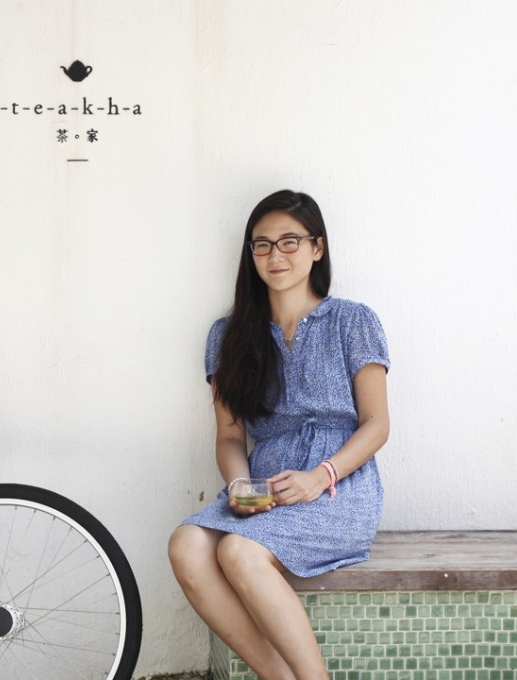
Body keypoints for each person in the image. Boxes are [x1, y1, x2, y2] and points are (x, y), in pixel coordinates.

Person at [167, 190, 390, 679]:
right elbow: (229, 437)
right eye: (262, 245)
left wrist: (320, 476)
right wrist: (241, 487)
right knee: (186, 544)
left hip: (339, 486)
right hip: (265, 487)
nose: (275, 255)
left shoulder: (353, 321)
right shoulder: (228, 336)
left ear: (317, 248)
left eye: (290, 241)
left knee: (238, 550)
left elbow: (377, 425)